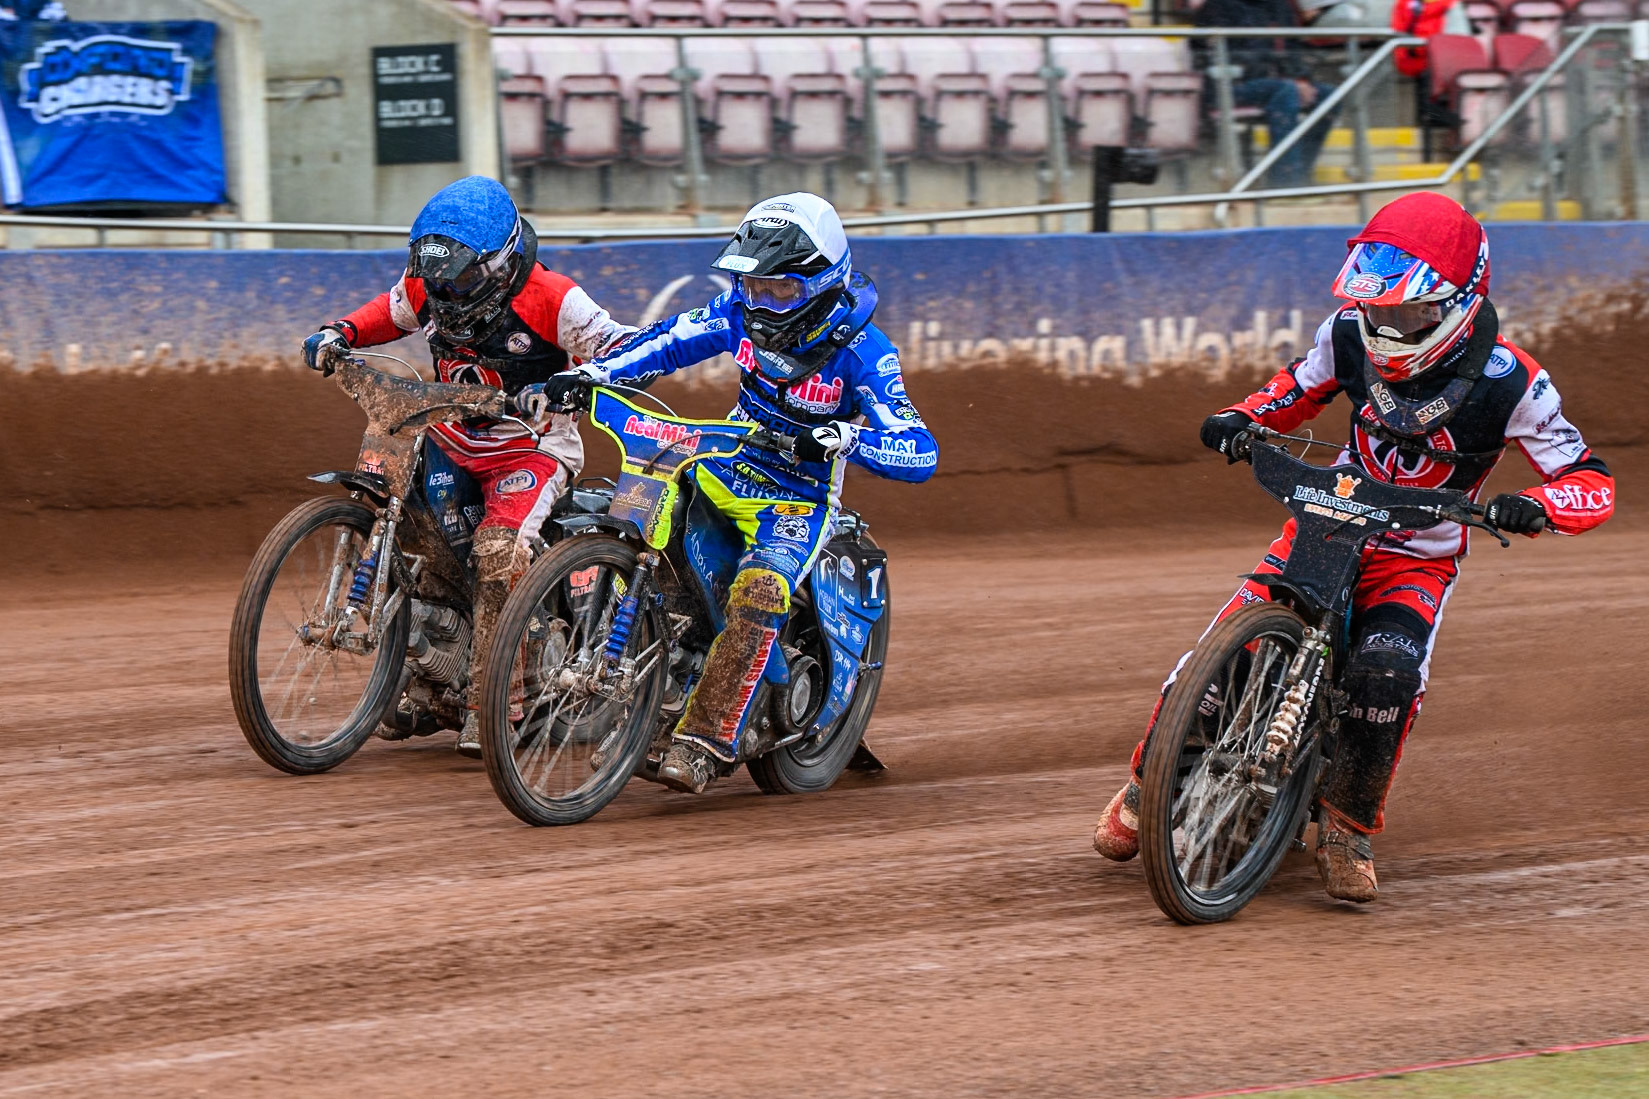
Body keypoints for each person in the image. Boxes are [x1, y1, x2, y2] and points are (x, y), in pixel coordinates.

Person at [1091, 192, 1614, 902]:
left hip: (1415, 553)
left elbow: (1589, 478)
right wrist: (1242, 416)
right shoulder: (1344, 332)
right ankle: (1146, 783)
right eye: (1379, 310)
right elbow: (1293, 390)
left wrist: (1538, 504)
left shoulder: (1513, 381)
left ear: (1460, 303)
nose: (1388, 325)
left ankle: (1345, 824)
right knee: (1221, 652)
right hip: (1327, 516)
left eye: (1408, 312)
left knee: (1384, 678)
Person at [534, 192, 938, 794]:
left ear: (824, 283)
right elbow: (666, 341)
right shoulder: (737, 312)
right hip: (726, 462)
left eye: (781, 291)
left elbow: (919, 450)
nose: (763, 303)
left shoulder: (865, 353)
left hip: (796, 500)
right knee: (647, 525)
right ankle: (656, 676)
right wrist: (590, 374)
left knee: (759, 590)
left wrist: (843, 438)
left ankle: (707, 738)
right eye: (754, 288)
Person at [302, 175, 634, 757]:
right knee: (418, 540)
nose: (447, 292)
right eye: (438, 278)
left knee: (498, 552)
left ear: (502, 263)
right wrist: (341, 331)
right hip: (451, 435)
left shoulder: (554, 297)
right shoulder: (428, 283)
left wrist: (576, 383)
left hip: (531, 447)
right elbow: (391, 310)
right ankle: (436, 676)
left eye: (461, 278)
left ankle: (501, 695)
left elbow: (624, 346)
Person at [1195, 0, 1338, 189]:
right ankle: (1285, 185)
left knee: (1329, 96)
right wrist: (1289, 80)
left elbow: (1293, 50)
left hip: (1275, 84)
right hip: (1227, 85)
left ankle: (1301, 176)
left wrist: (1302, 78)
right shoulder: (1218, 6)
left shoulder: (1280, 6)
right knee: (1285, 91)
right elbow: (1216, 54)